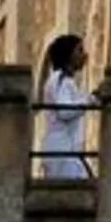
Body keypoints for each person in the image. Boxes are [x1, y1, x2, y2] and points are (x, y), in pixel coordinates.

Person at [37, 34, 93, 180]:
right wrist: (92, 100)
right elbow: (65, 111)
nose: (84, 55)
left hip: (67, 150)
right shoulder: (60, 79)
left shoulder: (64, 81)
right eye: (79, 50)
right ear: (69, 55)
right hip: (63, 151)